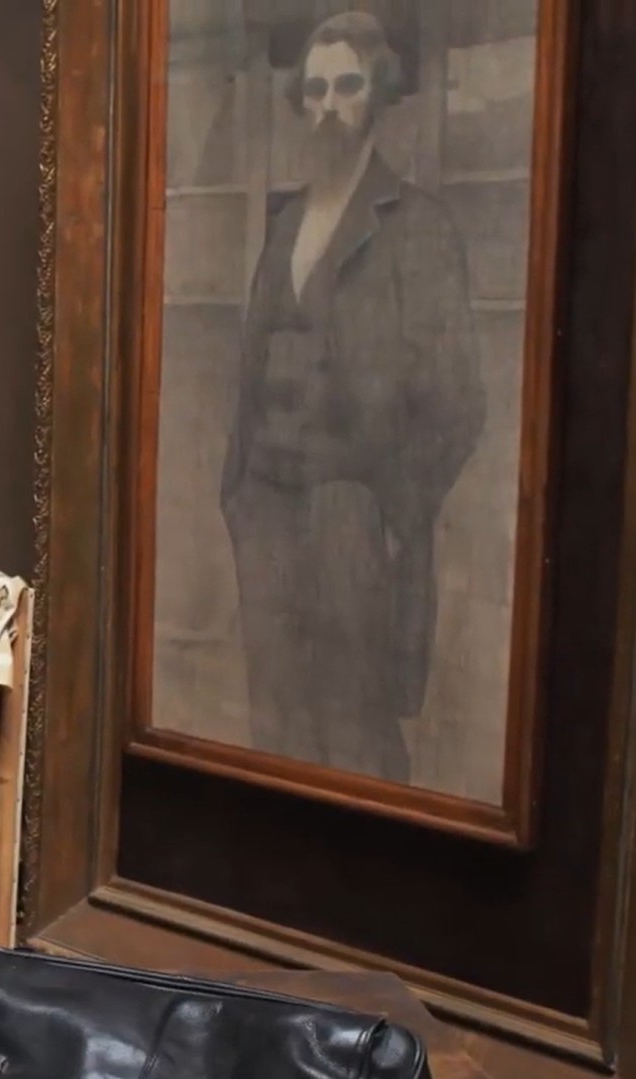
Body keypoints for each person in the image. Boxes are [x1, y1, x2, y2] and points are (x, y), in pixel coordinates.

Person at [221, 12, 485, 783]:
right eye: (315, 90)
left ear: (379, 94)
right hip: (267, 511)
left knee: (356, 737)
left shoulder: (417, 227)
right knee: (276, 724)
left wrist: (392, 515)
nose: (329, 105)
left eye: (347, 86)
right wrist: (238, 495)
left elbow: (459, 400)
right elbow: (250, 373)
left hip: (353, 516)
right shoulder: (285, 226)